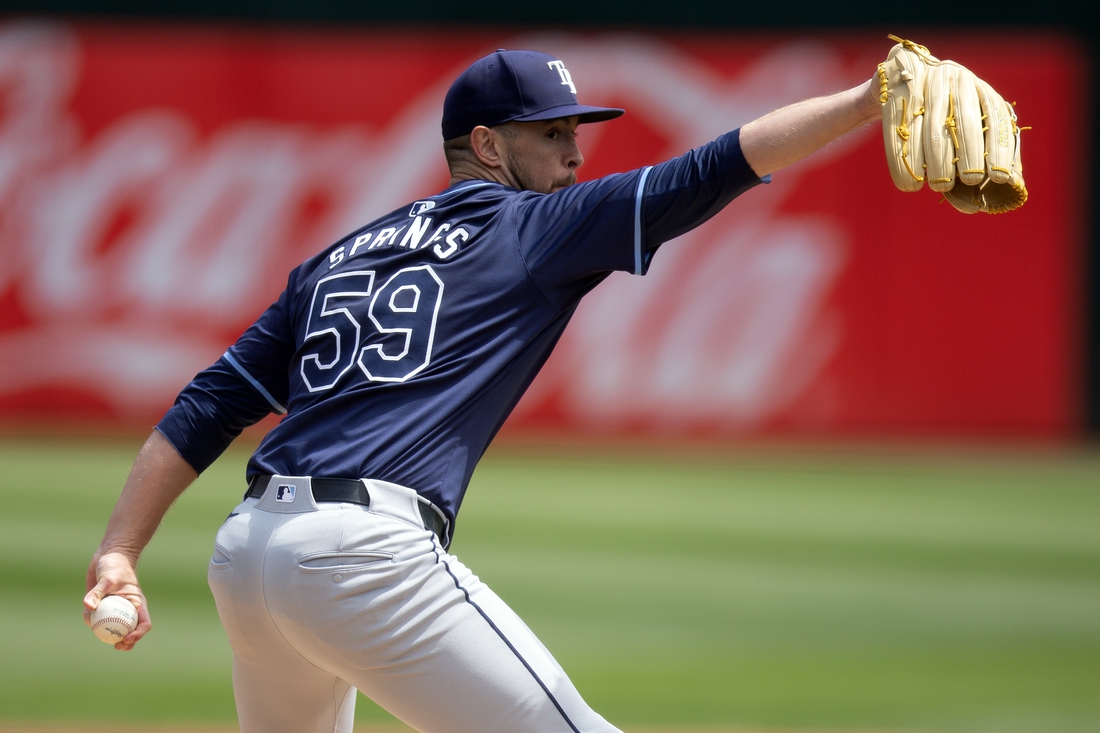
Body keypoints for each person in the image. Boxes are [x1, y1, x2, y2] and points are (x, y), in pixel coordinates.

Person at [84, 48, 881, 733]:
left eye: (576, 131)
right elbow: (715, 167)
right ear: (487, 144)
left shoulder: (340, 256)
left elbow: (207, 406)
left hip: (248, 551)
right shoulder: (533, 228)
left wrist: (120, 548)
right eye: (553, 132)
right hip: (361, 555)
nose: (575, 152)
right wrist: (866, 99)